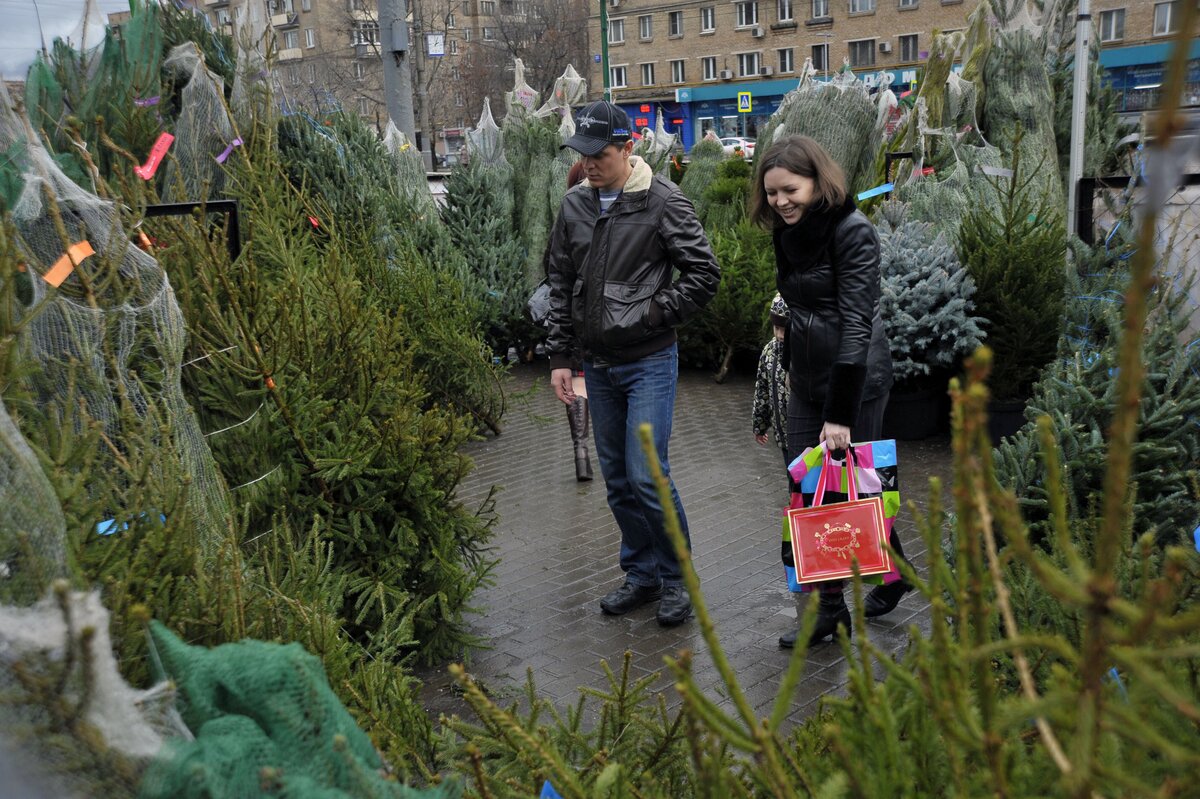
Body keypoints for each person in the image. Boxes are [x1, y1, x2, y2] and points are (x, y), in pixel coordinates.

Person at [545, 100, 720, 626]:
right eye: (584, 154)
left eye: (600, 154)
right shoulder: (575, 205)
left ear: (629, 148)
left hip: (648, 360)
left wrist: (652, 314)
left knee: (647, 476)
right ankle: (641, 575)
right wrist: (560, 356)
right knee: (618, 479)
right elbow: (558, 281)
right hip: (597, 365)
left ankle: (676, 580)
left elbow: (704, 275)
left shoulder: (663, 202)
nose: (591, 164)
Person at [750, 134, 910, 649]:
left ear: (818, 182)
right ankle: (866, 589)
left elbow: (857, 325)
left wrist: (839, 413)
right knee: (811, 492)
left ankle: (840, 603)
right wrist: (793, 369)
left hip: (854, 381)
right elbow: (798, 309)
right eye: (772, 193)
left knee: (852, 489)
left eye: (790, 190)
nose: (781, 202)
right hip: (808, 380)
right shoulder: (786, 231)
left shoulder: (852, 231)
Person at [752, 293, 791, 473]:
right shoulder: (769, 351)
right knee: (791, 474)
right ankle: (794, 499)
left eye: (784, 329)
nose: (780, 335)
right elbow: (762, 391)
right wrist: (759, 425)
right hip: (782, 434)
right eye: (776, 328)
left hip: (806, 434)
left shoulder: (803, 351)